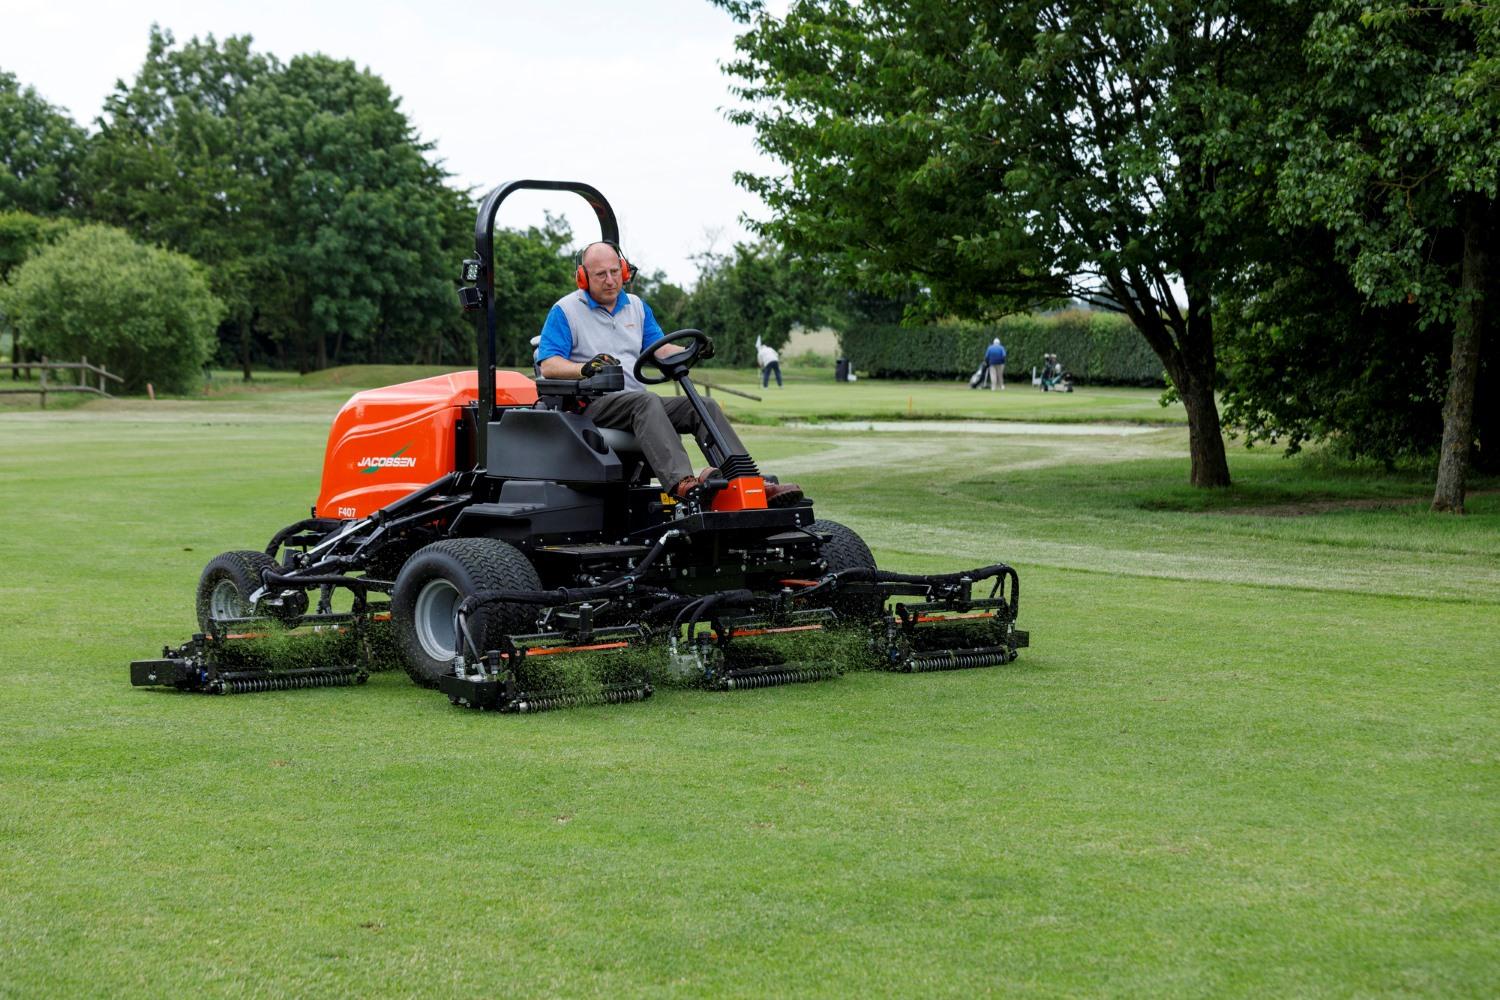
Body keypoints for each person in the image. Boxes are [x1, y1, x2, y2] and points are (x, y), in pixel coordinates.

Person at [536, 241, 802, 505]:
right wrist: (583, 369)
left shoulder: (636, 307)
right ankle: (682, 483)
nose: (610, 280)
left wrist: (693, 348)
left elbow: (659, 350)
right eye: (600, 275)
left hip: (634, 402)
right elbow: (549, 364)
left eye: (615, 272)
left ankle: (747, 483)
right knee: (646, 400)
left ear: (624, 270)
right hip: (591, 406)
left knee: (703, 406)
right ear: (583, 277)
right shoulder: (566, 310)